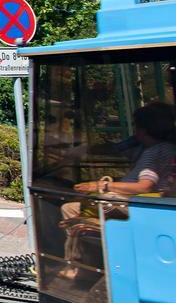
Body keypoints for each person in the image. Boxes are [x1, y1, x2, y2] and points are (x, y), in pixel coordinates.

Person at [59, 102, 176, 279]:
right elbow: (116, 149)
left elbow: (145, 185)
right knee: (69, 208)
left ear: (143, 129)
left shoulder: (156, 151)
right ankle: (79, 264)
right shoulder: (149, 147)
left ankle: (79, 267)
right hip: (134, 202)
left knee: (80, 210)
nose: (134, 131)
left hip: (136, 204)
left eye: (136, 127)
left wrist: (102, 186)